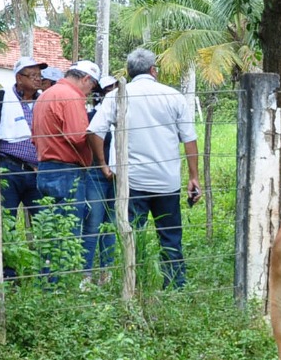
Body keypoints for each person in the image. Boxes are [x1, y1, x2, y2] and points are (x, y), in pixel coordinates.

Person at [85, 48, 201, 288]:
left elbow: (94, 132)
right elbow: (189, 139)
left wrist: (103, 165)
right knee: (170, 237)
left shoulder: (118, 96)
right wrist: (194, 176)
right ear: (153, 70)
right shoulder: (173, 96)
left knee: (131, 237)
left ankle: (134, 285)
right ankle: (175, 286)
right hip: (166, 181)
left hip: (131, 182)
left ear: (128, 71)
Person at [31, 60, 100, 274]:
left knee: (49, 230)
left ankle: (47, 281)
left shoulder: (46, 95)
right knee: (67, 231)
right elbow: (78, 136)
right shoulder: (71, 96)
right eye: (92, 87)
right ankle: (61, 285)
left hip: (45, 168)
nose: (90, 93)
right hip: (67, 170)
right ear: (86, 79)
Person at [0, 56, 47, 278]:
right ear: (19, 78)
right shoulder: (1, 98)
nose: (37, 80)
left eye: (39, 76)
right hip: (11, 167)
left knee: (43, 221)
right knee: (7, 222)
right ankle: (9, 273)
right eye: (32, 75)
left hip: (37, 170)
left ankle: (45, 271)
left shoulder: (44, 100)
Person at [79, 66, 125, 281]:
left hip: (118, 177)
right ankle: (85, 274)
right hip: (97, 175)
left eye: (114, 88)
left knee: (112, 224)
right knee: (93, 223)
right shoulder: (92, 116)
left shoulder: (125, 115)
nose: (110, 93)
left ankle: (106, 272)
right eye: (106, 90)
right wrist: (102, 164)